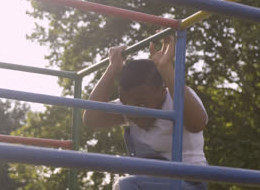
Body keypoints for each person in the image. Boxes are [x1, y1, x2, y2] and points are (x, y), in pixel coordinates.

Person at [83, 35, 209, 190]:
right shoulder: (129, 105)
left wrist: (165, 68)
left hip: (188, 183)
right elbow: (91, 119)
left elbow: (198, 124)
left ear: (162, 91)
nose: (133, 112)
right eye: (126, 104)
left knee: (127, 184)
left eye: (141, 104)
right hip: (150, 182)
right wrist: (112, 69)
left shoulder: (177, 97)